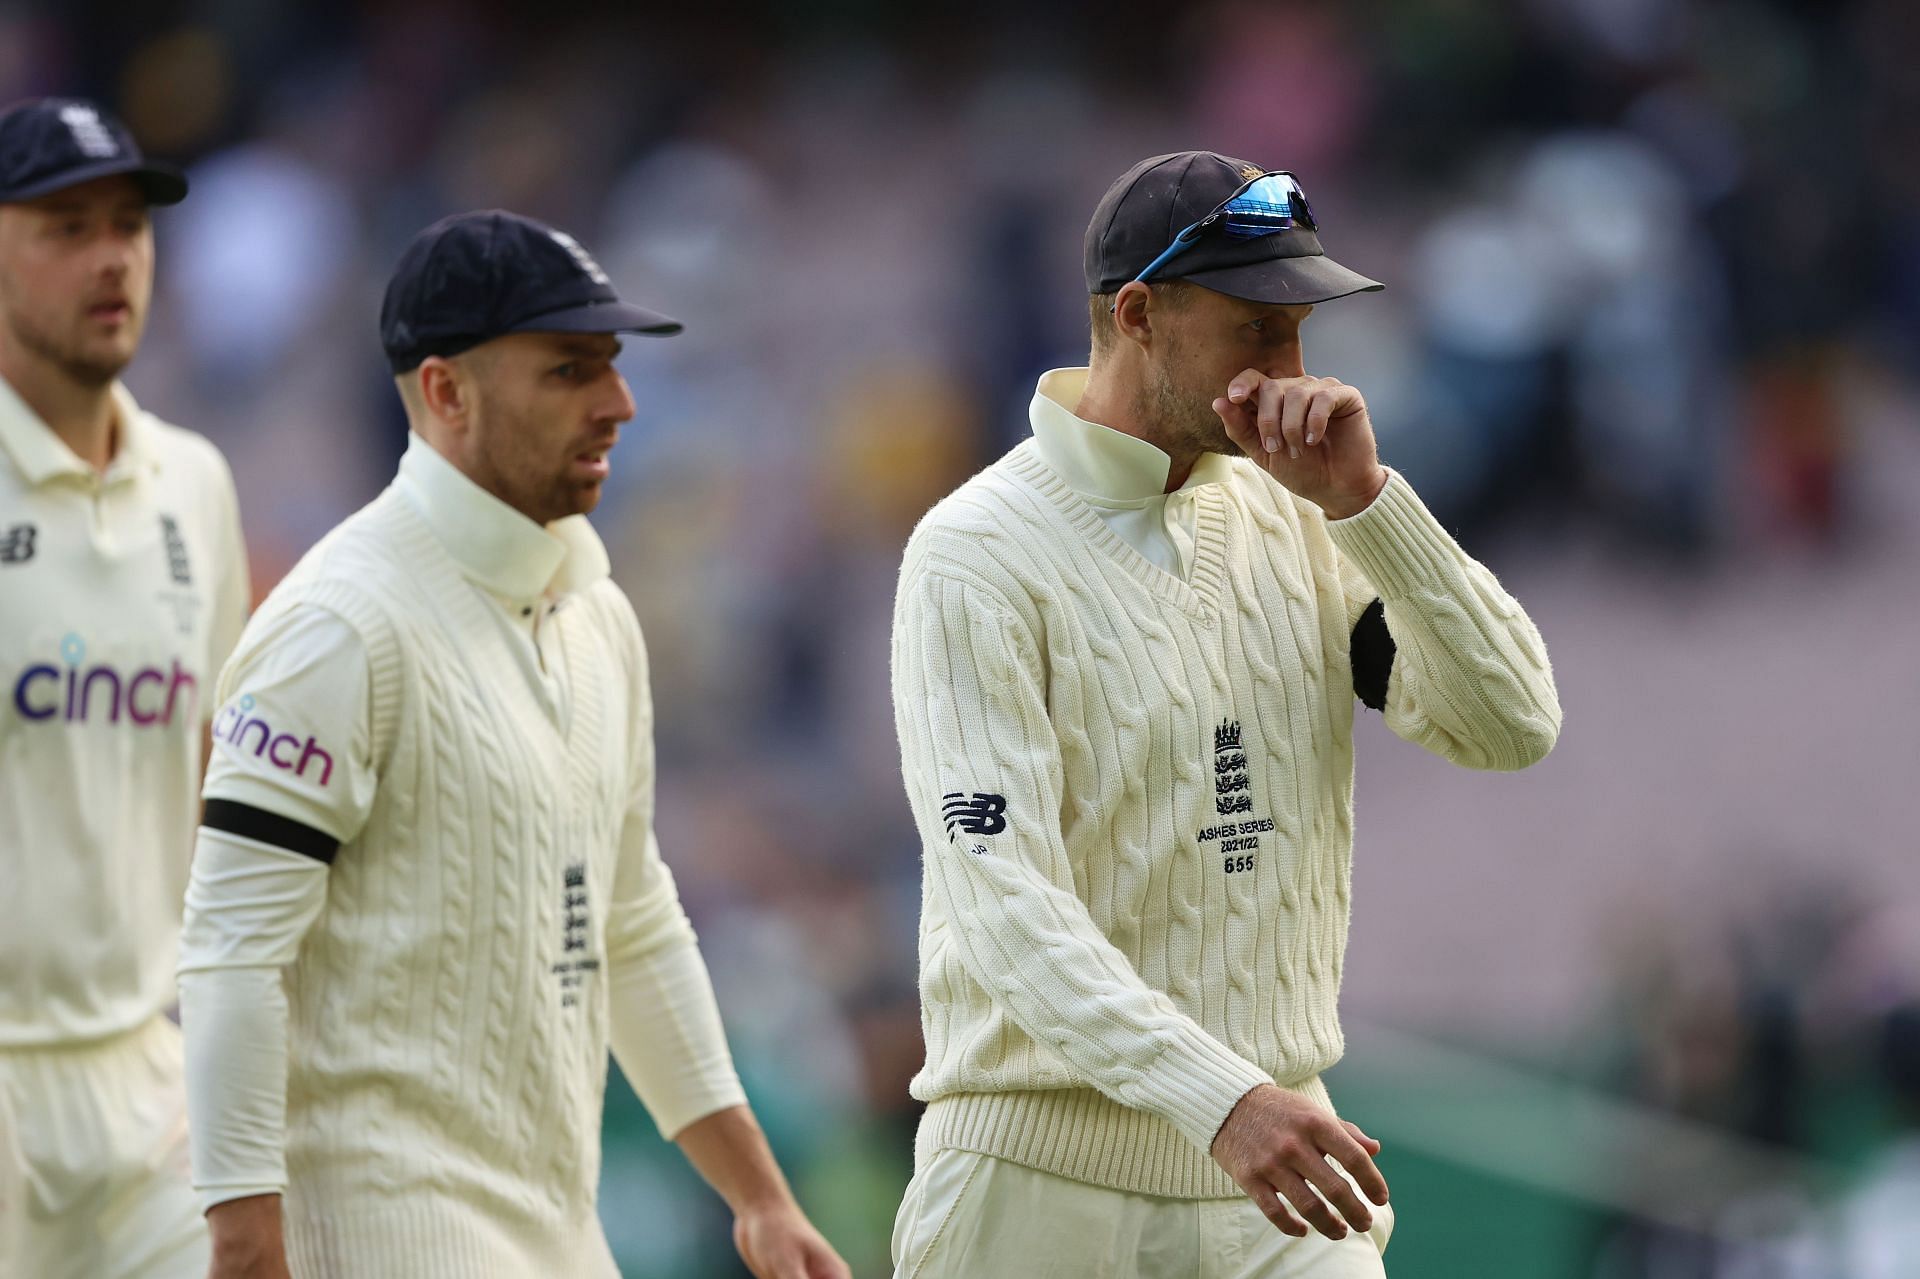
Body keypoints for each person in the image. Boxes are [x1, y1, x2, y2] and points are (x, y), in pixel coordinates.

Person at [887, 151, 1562, 1278]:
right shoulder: (974, 553)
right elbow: (1002, 908)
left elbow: (1513, 721)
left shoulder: (1303, 518)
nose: (1293, 373)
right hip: (1034, 1192)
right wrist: (1220, 1100)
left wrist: (1368, 505)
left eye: (1300, 330)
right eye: (1257, 329)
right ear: (1139, 314)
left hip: (1285, 1189)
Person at [175, 209, 849, 1279]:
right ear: (446, 393)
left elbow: (632, 922)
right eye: (570, 371)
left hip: (558, 1226)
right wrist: (246, 1239)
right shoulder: (335, 628)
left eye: (613, 368)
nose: (619, 404)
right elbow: (230, 952)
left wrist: (758, 1195)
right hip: (379, 1225)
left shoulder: (596, 617)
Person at [0, 96, 247, 1279]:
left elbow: (221, 782)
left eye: (130, 227)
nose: (113, 257)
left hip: (148, 1084)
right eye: (65, 227)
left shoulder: (193, 485)